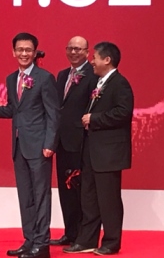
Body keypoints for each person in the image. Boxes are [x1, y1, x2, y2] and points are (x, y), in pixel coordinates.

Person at [0, 32, 60, 258]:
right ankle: (30, 240)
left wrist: (50, 143)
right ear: (13, 52)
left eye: (28, 50)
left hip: (40, 147)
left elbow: (53, 114)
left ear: (35, 52)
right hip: (19, 146)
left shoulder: (45, 78)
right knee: (26, 197)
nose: (24, 53)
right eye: (20, 50)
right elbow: (13, 110)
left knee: (41, 196)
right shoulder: (12, 78)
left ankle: (42, 245)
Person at [63, 42, 134, 256]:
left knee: (108, 200)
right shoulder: (101, 82)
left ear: (107, 60)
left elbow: (123, 112)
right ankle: (87, 240)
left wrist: (94, 118)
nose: (92, 61)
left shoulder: (120, 83)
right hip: (92, 152)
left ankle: (111, 242)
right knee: (89, 199)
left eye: (94, 57)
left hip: (108, 154)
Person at [50, 37, 98, 247]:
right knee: (65, 189)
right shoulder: (62, 75)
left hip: (81, 141)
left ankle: (83, 236)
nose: (73, 52)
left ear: (87, 51)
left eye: (78, 49)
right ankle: (70, 233)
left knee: (81, 190)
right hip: (62, 141)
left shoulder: (93, 75)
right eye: (70, 48)